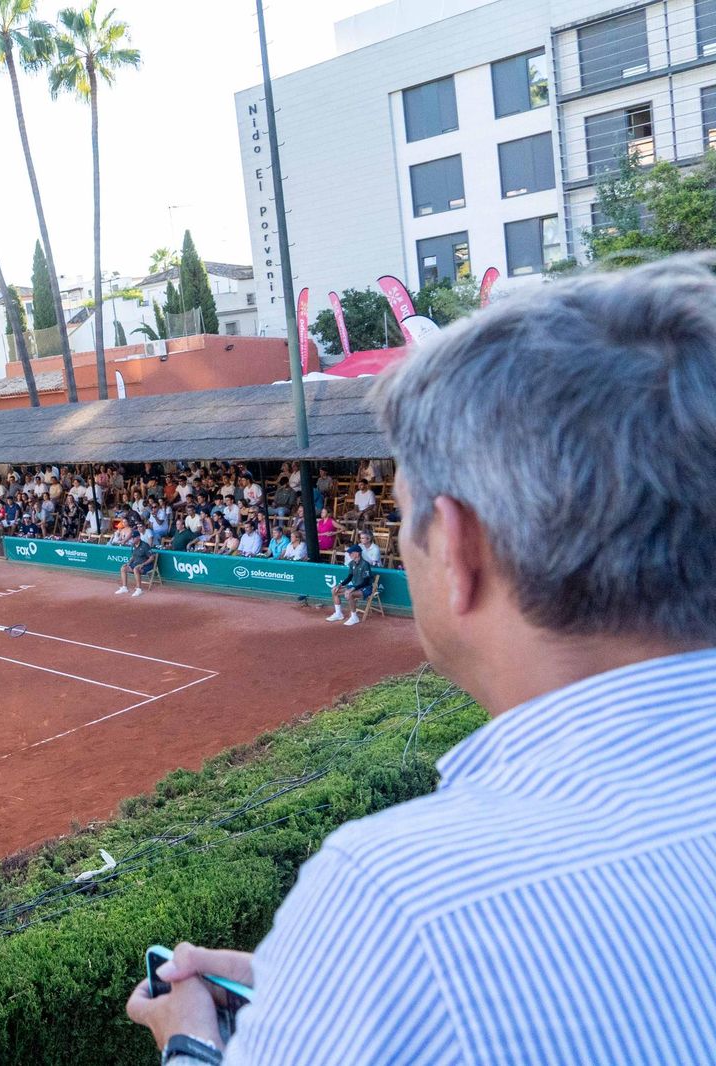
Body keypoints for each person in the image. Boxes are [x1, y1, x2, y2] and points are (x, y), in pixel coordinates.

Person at [127, 257, 716, 1065]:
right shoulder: (392, 932)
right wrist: (319, 994)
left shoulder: (392, 902)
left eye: (405, 516)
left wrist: (190, 1041)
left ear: (461, 549)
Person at [326, 544, 374, 626]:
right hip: (355, 587)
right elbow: (349, 577)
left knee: (350, 594)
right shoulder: (352, 563)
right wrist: (340, 585)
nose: (349, 554)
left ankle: (354, 617)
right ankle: (338, 614)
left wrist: (353, 589)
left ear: (357, 553)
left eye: (351, 553)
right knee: (334, 590)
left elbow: (366, 582)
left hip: (365, 588)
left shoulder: (365, 564)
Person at [116, 531, 157, 598]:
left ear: (138, 537)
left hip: (146, 565)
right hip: (136, 564)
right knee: (123, 568)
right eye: (132, 538)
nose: (132, 539)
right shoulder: (133, 545)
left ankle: (139, 589)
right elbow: (133, 556)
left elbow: (152, 558)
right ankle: (124, 588)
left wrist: (143, 564)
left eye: (134, 538)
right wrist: (128, 563)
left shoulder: (145, 545)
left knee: (136, 569)